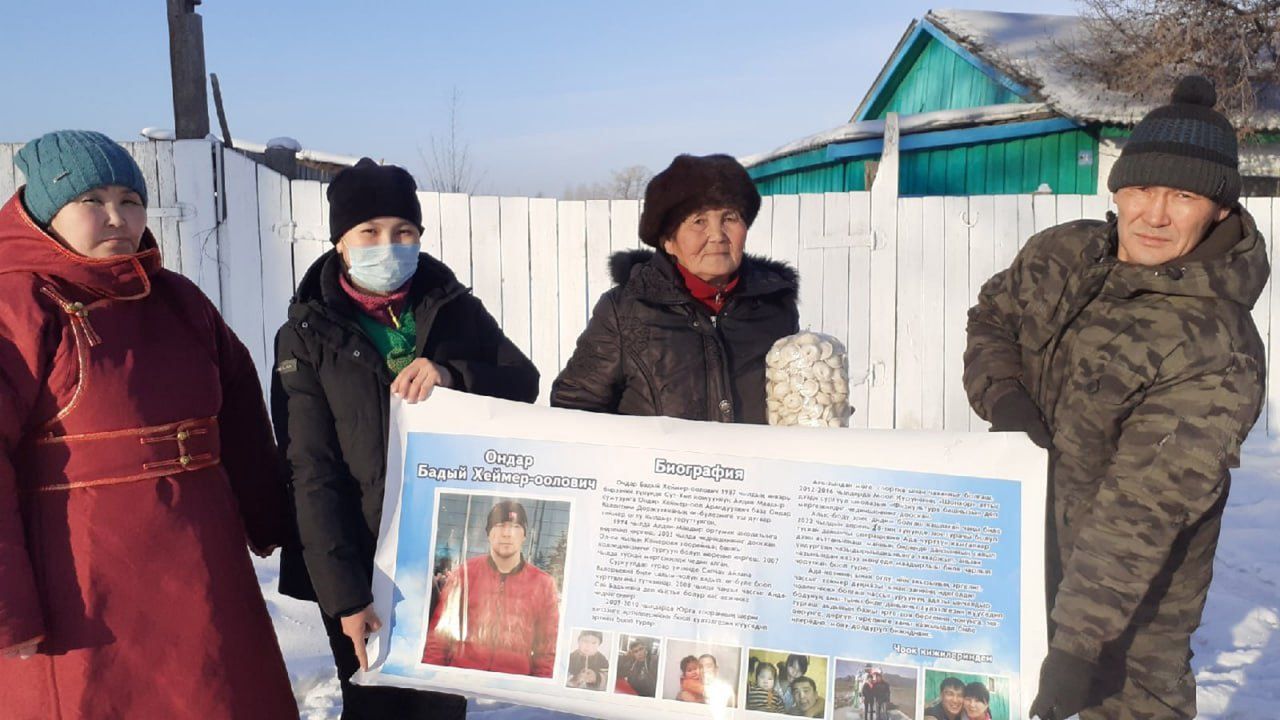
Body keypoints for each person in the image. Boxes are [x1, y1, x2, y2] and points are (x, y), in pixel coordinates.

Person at [964, 76, 1268, 720]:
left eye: (1182, 196)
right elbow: (993, 317)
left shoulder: (1218, 345)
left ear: (1217, 209)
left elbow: (1140, 513)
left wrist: (1075, 651)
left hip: (1127, 627)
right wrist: (1006, 398)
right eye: (1142, 189)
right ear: (1119, 189)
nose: (1154, 215)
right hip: (1017, 570)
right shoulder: (1064, 253)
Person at [0, 130, 296, 718]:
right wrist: (10, 608)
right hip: (85, 580)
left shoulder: (178, 299)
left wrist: (269, 516)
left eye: (130, 201)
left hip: (203, 561)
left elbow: (238, 406)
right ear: (44, 213)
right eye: (92, 201)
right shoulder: (20, 305)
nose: (117, 218)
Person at [272, 158, 539, 717]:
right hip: (361, 560)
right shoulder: (306, 334)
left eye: (404, 232)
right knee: (376, 705)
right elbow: (310, 471)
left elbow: (522, 382)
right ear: (341, 243)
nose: (388, 245)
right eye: (369, 232)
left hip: (444, 554)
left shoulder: (454, 309)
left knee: (442, 702)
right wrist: (346, 596)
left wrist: (453, 376)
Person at [551, 153, 799, 423]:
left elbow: (798, 406)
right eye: (698, 221)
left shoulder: (775, 307)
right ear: (668, 240)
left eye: (729, 218)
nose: (717, 235)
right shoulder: (625, 311)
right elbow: (574, 409)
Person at [422, 499, 560, 676]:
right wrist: (430, 682)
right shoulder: (464, 573)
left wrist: (538, 693)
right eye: (500, 525)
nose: (507, 534)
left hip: (511, 688)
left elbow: (547, 651)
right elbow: (440, 637)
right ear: (488, 533)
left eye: (516, 527)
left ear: (524, 535)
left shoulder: (543, 583)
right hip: (461, 680)